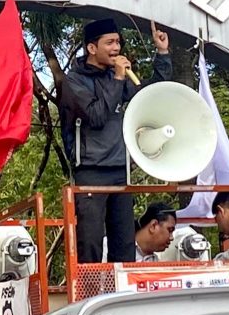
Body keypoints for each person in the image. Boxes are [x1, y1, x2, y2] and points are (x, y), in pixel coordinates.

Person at [60, 18, 171, 263]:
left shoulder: (117, 76)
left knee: (123, 242)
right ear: (91, 48)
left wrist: (162, 54)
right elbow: (96, 117)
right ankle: (86, 287)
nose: (116, 48)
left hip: (121, 169)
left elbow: (150, 96)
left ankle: (119, 287)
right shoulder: (74, 81)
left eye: (118, 42)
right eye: (109, 42)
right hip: (91, 170)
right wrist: (118, 79)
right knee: (90, 241)